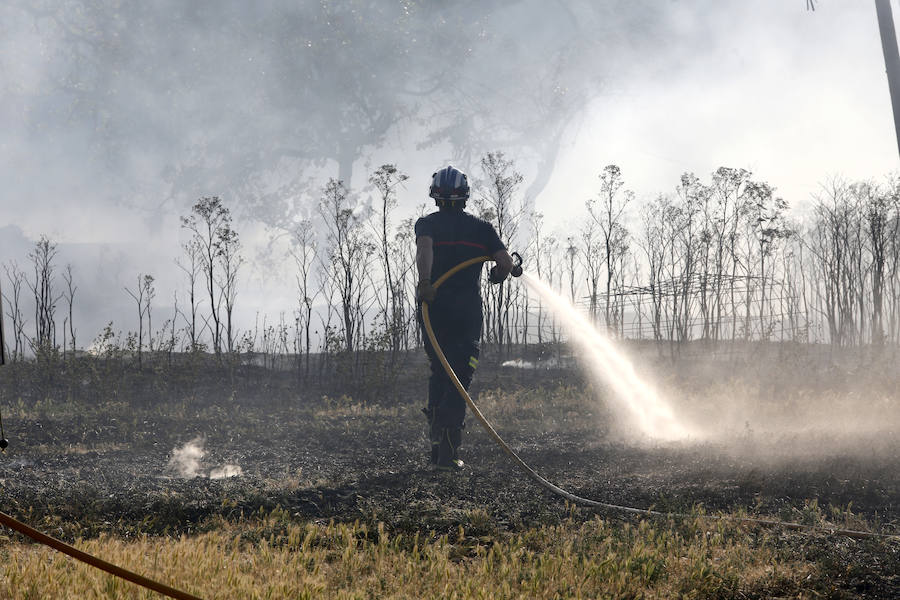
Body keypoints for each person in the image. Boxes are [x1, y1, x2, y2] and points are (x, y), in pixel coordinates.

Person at [415, 165, 520, 471]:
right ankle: (448, 455)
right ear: (465, 196)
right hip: (466, 316)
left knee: (439, 371)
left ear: (436, 196)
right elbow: (503, 262)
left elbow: (424, 249)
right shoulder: (482, 229)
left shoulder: (427, 223)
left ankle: (438, 448)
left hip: (433, 311)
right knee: (459, 378)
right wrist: (498, 275)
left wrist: (426, 283)